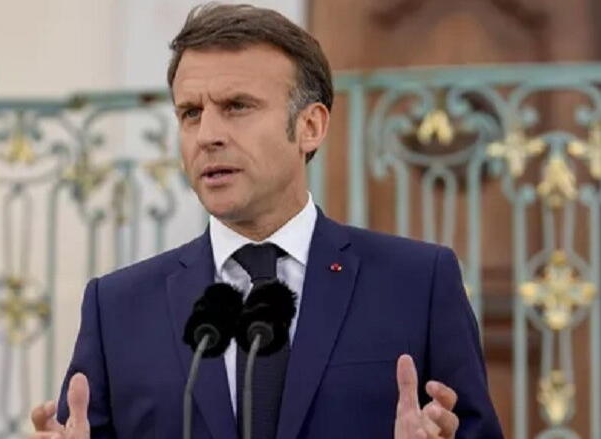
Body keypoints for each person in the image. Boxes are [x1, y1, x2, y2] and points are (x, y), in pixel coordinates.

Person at [31, 3, 504, 439]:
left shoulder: (417, 285)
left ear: (310, 127)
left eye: (237, 106)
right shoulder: (118, 309)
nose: (208, 135)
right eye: (191, 113)